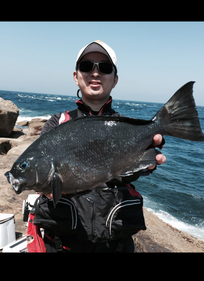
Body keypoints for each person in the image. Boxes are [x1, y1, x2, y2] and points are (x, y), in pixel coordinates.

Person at [28, 40, 166, 253]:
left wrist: (145, 163)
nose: (95, 73)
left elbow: (127, 175)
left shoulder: (127, 126)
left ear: (115, 79)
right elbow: (44, 174)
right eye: (86, 66)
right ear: (76, 77)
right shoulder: (57, 124)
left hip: (115, 245)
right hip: (62, 245)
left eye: (104, 68)